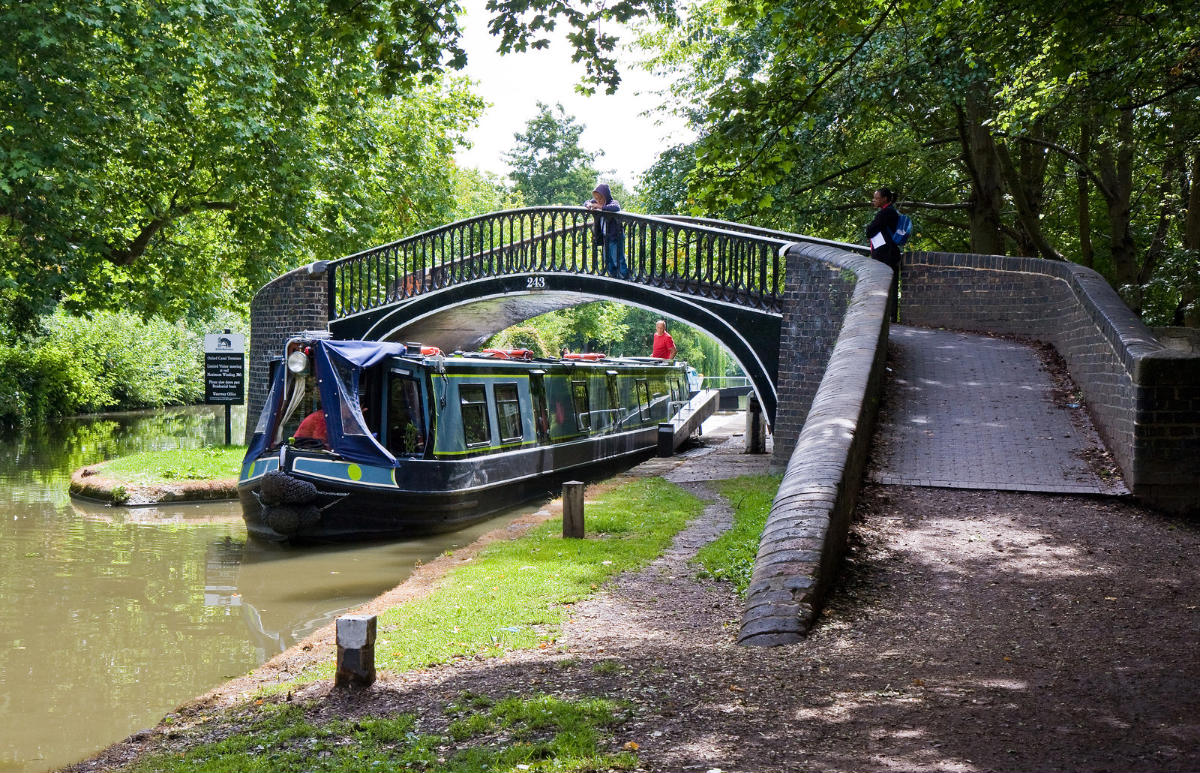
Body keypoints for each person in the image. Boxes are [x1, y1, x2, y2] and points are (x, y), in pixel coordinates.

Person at [865, 186, 902, 321]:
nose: (874, 200)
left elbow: (870, 231)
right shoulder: (892, 211)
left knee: (883, 284)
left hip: (885, 255)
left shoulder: (885, 213)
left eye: (877, 198)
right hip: (891, 253)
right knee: (891, 284)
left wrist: (869, 229)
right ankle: (891, 315)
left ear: (884, 199)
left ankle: (885, 316)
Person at [585, 183, 630, 279]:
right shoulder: (596, 201)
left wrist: (599, 207)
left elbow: (616, 208)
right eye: (596, 198)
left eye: (600, 198)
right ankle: (613, 278)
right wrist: (589, 205)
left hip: (615, 236)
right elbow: (586, 202)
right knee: (608, 260)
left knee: (618, 259)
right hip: (605, 237)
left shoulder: (613, 202)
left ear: (605, 196)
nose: (598, 201)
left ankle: (625, 279)